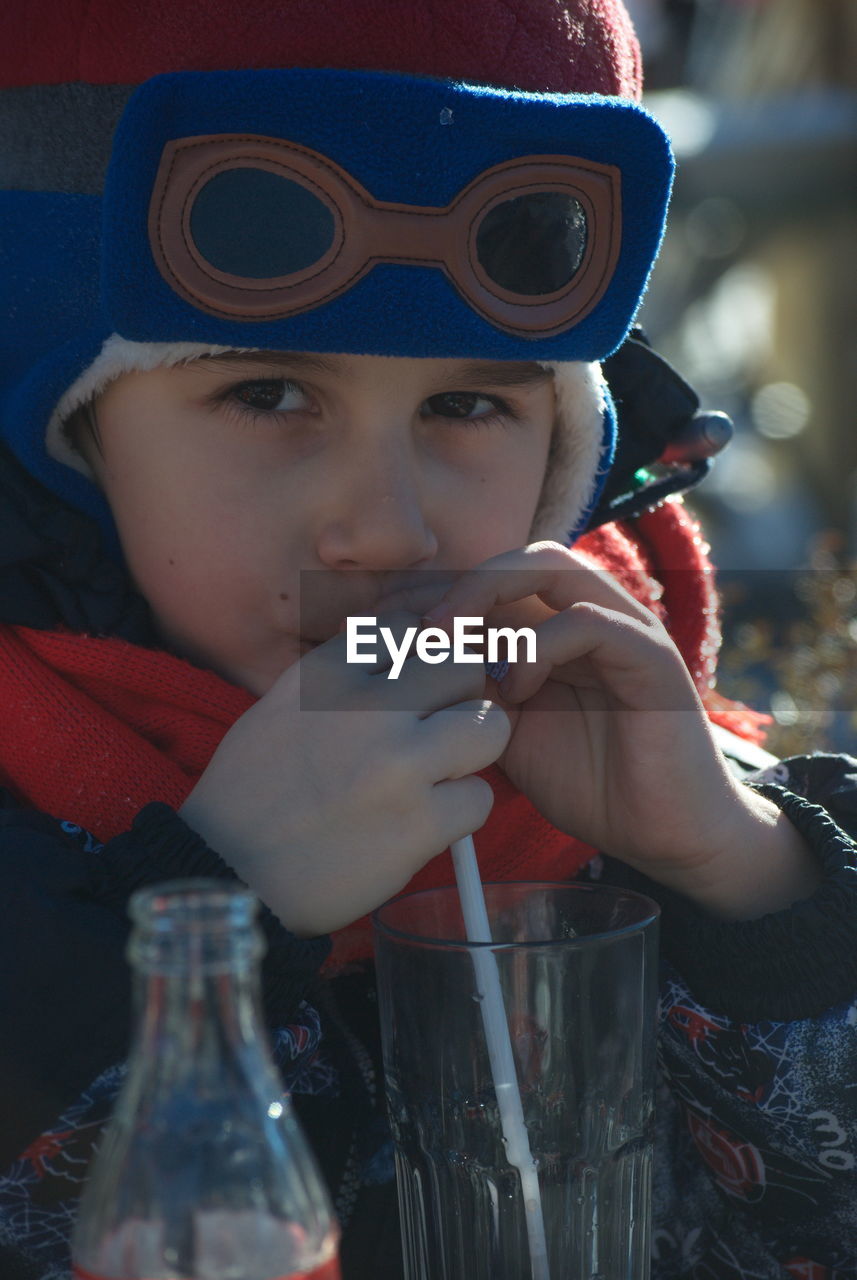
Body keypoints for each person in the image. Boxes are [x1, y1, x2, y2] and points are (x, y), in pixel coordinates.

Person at [1, 0, 855, 1276]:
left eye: (468, 402)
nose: (387, 532)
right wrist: (200, 921)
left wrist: (748, 881)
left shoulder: (645, 747)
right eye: (267, 390)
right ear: (74, 437)